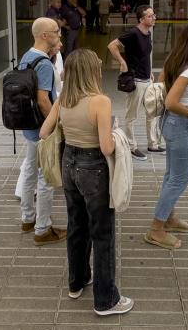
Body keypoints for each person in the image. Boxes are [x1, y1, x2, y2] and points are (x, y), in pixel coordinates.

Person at [40, 48, 134, 316]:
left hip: (68, 163)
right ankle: (106, 300)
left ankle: (77, 281)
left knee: (76, 225)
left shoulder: (63, 99)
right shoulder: (100, 101)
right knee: (102, 232)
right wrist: (116, 135)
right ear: (92, 71)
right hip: (93, 168)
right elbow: (106, 147)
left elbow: (44, 132)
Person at [144, 24, 188, 250]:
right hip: (182, 125)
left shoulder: (175, 60)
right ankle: (156, 229)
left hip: (171, 123)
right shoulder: (187, 70)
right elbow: (171, 101)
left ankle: (168, 217)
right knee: (180, 179)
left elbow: (163, 85)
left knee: (172, 175)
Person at [13, 17, 68, 245]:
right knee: (46, 178)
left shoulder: (27, 57)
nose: (59, 34)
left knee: (29, 171)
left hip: (29, 125)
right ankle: (42, 229)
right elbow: (43, 100)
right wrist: (54, 126)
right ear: (45, 35)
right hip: (42, 128)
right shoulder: (44, 63)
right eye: (56, 31)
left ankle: (27, 218)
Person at [107, 5, 163, 160]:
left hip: (147, 79)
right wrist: (122, 62)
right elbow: (112, 46)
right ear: (141, 19)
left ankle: (153, 144)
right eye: (150, 16)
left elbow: (144, 55)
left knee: (152, 112)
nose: (154, 17)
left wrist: (149, 71)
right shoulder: (133, 33)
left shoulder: (148, 33)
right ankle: (132, 147)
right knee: (131, 115)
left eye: (153, 15)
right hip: (136, 80)